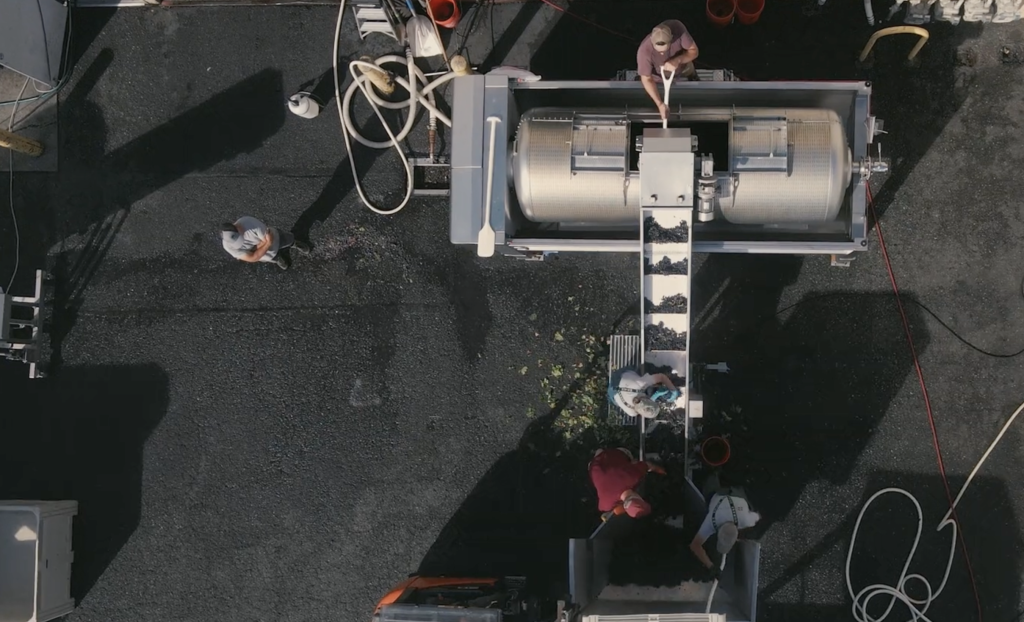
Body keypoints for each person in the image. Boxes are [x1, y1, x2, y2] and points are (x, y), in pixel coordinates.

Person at [688, 481, 761, 578]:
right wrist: (711, 567)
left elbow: (695, 545)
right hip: (722, 494)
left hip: (737, 494)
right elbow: (694, 545)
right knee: (709, 485)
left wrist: (712, 567)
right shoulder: (711, 521)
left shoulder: (745, 520)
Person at [637, 20, 700, 120]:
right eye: (659, 51)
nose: (662, 54)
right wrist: (660, 104)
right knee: (648, 85)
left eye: (665, 50)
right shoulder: (644, 51)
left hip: (682, 67)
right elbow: (646, 79)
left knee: (690, 70)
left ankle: (693, 77)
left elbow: (694, 51)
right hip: (657, 78)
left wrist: (677, 60)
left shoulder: (678, 30)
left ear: (671, 39)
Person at [588, 447, 666, 521]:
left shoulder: (634, 476)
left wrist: (662, 471)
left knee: (633, 462)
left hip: (613, 454)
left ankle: (601, 453)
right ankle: (598, 453)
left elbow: (648, 465)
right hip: (593, 467)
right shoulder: (606, 505)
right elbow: (606, 509)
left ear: (640, 498)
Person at [220, 217, 310, 270]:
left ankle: (293, 243)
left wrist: (256, 250)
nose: (240, 241)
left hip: (273, 239)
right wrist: (266, 245)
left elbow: (268, 239)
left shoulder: (249, 223)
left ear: (236, 227)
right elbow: (253, 258)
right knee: (269, 256)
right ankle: (277, 258)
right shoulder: (228, 246)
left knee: (284, 239)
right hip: (264, 251)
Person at [609, 369, 680, 420]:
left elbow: (661, 377)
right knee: (616, 400)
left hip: (619, 377)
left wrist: (673, 390)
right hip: (614, 396)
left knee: (636, 371)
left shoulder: (640, 384)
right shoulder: (632, 413)